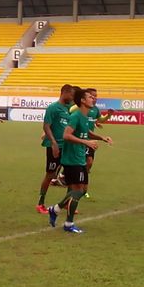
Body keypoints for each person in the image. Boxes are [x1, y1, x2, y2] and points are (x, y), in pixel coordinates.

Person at [48, 88, 111, 233]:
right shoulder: (76, 116)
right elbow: (66, 135)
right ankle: (68, 224)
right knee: (78, 190)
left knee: (82, 190)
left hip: (79, 158)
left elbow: (86, 132)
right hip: (71, 159)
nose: (94, 99)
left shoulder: (85, 116)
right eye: (90, 97)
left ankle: (55, 209)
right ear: (82, 100)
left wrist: (101, 138)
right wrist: (86, 143)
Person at [36, 84, 74, 214]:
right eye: (71, 95)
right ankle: (40, 203)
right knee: (50, 175)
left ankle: (66, 203)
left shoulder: (70, 109)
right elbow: (46, 126)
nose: (73, 97)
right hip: (55, 146)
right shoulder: (53, 108)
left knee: (71, 175)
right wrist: (53, 143)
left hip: (68, 146)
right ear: (65, 93)